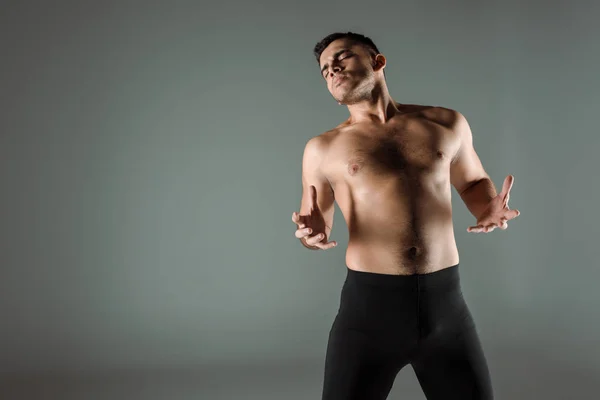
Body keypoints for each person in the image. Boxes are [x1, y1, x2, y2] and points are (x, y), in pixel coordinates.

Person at [291, 32, 520, 400]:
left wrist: (487, 205)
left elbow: (473, 181)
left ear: (378, 62)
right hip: (369, 315)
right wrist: (310, 236)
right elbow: (316, 220)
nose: (331, 68)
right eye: (324, 70)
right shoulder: (322, 149)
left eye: (343, 57)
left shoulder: (446, 124)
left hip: (446, 310)